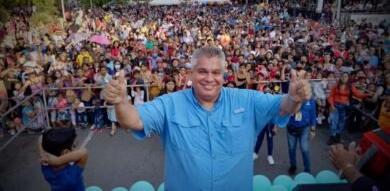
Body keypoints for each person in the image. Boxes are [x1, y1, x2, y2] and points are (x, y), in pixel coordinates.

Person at [104, 46, 312, 191]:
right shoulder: (170, 103)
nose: (209, 78)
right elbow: (133, 120)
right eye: (202, 71)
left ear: (224, 75)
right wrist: (121, 102)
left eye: (216, 72)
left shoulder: (248, 100)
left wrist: (294, 97)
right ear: (191, 73)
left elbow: (284, 107)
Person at [286, 97, 317, 175]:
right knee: (291, 148)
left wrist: (313, 129)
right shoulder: (291, 97)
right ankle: (293, 166)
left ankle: (307, 170)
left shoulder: (310, 99)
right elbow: (284, 111)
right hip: (291, 127)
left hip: (304, 128)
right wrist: (291, 112)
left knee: (305, 149)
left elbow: (313, 115)